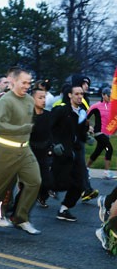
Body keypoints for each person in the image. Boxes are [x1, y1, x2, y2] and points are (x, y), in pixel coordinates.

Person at [0, 68, 42, 235]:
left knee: (35, 181)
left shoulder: (28, 100)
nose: (27, 86)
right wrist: (23, 128)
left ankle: (21, 218)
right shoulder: (6, 100)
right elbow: (0, 126)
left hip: (25, 150)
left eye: (29, 83)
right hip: (5, 150)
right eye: (24, 82)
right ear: (13, 82)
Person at [50, 84, 90, 223]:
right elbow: (49, 128)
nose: (80, 96)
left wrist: (86, 137)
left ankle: (64, 209)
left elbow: (79, 132)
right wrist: (54, 144)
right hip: (60, 152)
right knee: (56, 182)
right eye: (77, 94)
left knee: (78, 183)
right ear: (70, 95)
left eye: (81, 94)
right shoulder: (61, 110)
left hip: (74, 152)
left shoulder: (82, 112)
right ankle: (41, 192)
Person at [87, 88, 115, 179]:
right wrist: (89, 127)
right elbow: (86, 117)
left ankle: (86, 169)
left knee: (97, 151)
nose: (110, 97)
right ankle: (106, 172)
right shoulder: (96, 106)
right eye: (108, 95)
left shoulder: (112, 106)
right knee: (109, 149)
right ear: (103, 95)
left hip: (107, 134)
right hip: (98, 132)